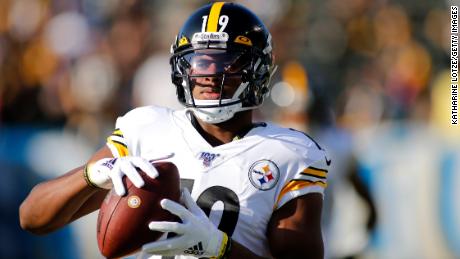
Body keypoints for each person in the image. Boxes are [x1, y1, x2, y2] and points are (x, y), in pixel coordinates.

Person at [19, 2, 330, 259]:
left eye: (225, 62)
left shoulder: (289, 153)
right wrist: (92, 174)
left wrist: (216, 248)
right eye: (199, 62)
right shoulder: (147, 128)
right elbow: (32, 218)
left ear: (257, 70)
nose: (209, 74)